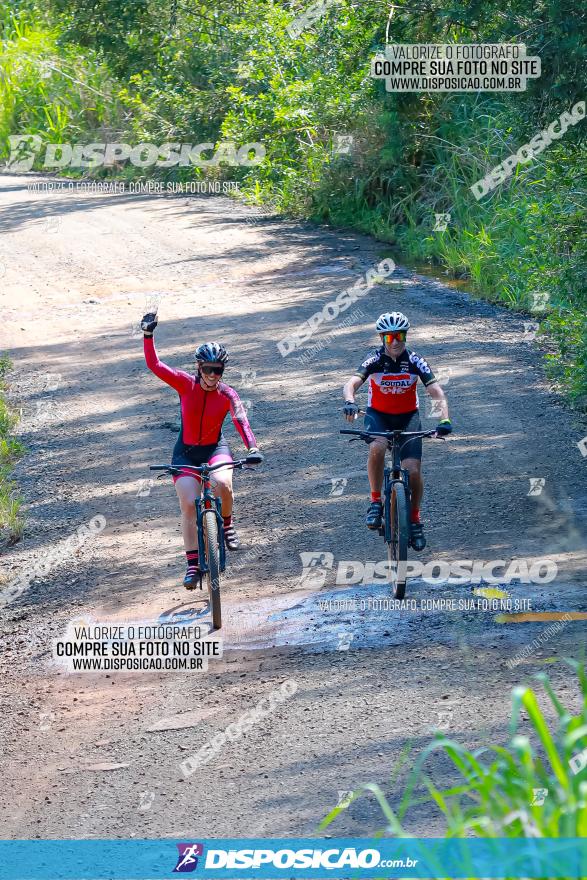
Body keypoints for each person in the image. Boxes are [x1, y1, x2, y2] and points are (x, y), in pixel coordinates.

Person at [141, 312, 263, 588]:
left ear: (222, 371)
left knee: (223, 483)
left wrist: (253, 447)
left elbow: (240, 419)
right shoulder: (185, 383)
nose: (211, 375)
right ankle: (193, 564)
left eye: (217, 370)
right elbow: (155, 364)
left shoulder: (228, 394)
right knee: (188, 505)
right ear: (198, 367)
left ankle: (228, 525)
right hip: (185, 453)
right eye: (207, 369)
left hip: (215, 449)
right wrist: (148, 335)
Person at [342, 311, 452, 550]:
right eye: (390, 337)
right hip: (378, 416)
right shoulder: (374, 360)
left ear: (406, 336)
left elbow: (436, 391)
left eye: (400, 335)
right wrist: (350, 401)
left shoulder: (415, 361)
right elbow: (351, 383)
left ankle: (414, 520)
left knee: (412, 470)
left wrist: (444, 419)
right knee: (377, 447)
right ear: (382, 338)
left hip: (407, 417)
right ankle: (374, 502)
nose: (395, 341)